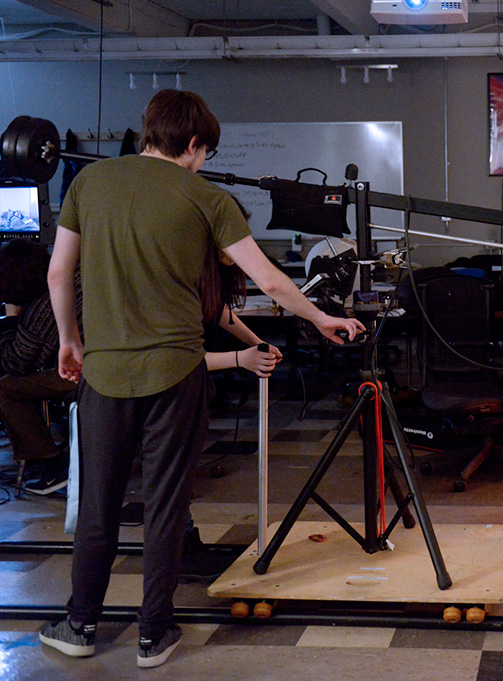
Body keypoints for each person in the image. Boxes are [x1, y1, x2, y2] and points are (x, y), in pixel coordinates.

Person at [41, 89, 364, 669]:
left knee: (99, 506)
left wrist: (70, 339)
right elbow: (268, 281)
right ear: (192, 144)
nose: (204, 163)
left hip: (104, 373)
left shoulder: (88, 185)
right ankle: (152, 635)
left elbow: (59, 269)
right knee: (167, 505)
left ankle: (80, 623)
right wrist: (321, 317)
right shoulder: (206, 198)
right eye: (204, 153)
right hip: (175, 373)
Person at [0, 239, 80, 494]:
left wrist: (11, 319)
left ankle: (50, 463)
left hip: (87, 372)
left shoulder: (43, 307)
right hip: (107, 363)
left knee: (5, 387)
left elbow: (16, 363)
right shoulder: (73, 279)